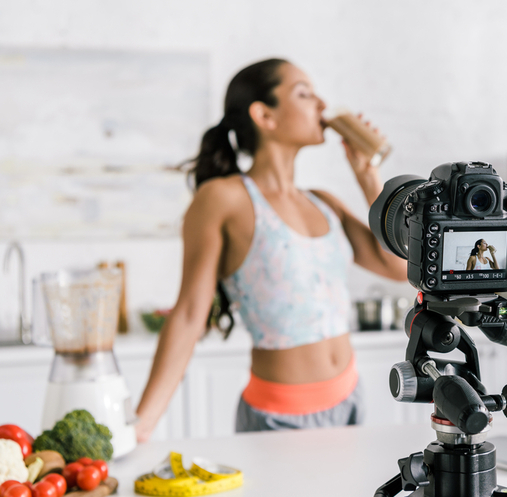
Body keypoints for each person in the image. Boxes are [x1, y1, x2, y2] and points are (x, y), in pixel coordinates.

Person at [134, 58, 407, 441]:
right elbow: (189, 314)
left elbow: (397, 267)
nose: (321, 104)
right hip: (279, 419)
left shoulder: (324, 202)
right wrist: (142, 424)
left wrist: (369, 179)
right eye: (303, 93)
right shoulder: (222, 199)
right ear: (264, 115)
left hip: (350, 401)